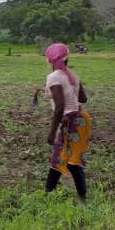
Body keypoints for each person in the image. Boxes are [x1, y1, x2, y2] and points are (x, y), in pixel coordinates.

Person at [43, 43, 92, 202]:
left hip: (68, 121)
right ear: (67, 58)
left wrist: (52, 132)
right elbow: (83, 99)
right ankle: (82, 197)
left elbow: (60, 107)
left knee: (59, 157)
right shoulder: (72, 75)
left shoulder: (53, 77)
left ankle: (48, 193)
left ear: (49, 61)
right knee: (73, 160)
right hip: (81, 120)